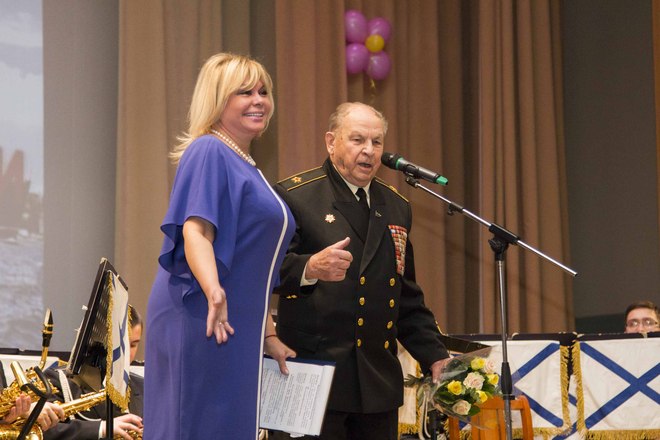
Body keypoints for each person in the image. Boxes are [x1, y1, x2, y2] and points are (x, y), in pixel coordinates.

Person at [272, 102, 450, 440]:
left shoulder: (396, 206)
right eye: (357, 140)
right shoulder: (296, 196)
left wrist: (435, 356)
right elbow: (267, 273)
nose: (369, 150)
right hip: (313, 377)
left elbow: (405, 297)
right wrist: (310, 267)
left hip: (375, 383)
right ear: (331, 141)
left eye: (377, 142)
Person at [144, 53, 296, 440]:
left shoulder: (244, 162)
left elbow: (253, 266)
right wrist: (213, 290)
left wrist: (268, 335)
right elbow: (196, 230)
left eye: (264, 92)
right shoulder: (209, 150)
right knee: (197, 426)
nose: (259, 100)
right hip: (203, 314)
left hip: (233, 323)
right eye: (244, 92)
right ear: (218, 99)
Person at [43, 304, 144, 440]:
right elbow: (43, 431)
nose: (126, 354)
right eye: (120, 344)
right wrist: (101, 429)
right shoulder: (56, 380)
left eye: (133, 345)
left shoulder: (144, 386)